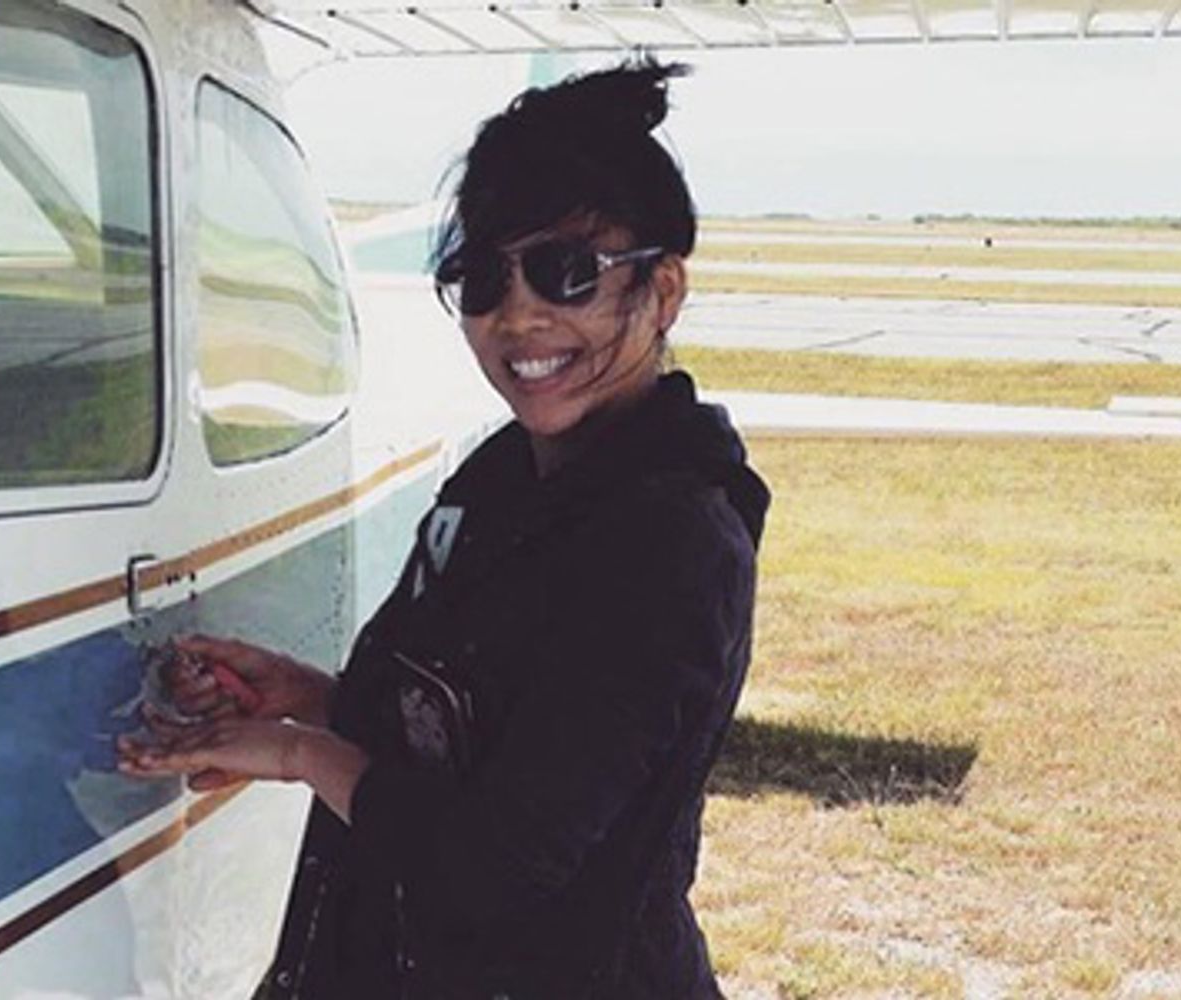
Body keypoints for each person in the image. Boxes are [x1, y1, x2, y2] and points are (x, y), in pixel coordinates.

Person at [118, 57, 770, 999]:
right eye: (480, 279)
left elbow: (492, 873)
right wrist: (309, 696)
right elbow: (453, 735)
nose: (518, 316)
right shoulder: (504, 478)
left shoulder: (671, 543)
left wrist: (302, 752)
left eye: (565, 272)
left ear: (661, 292)